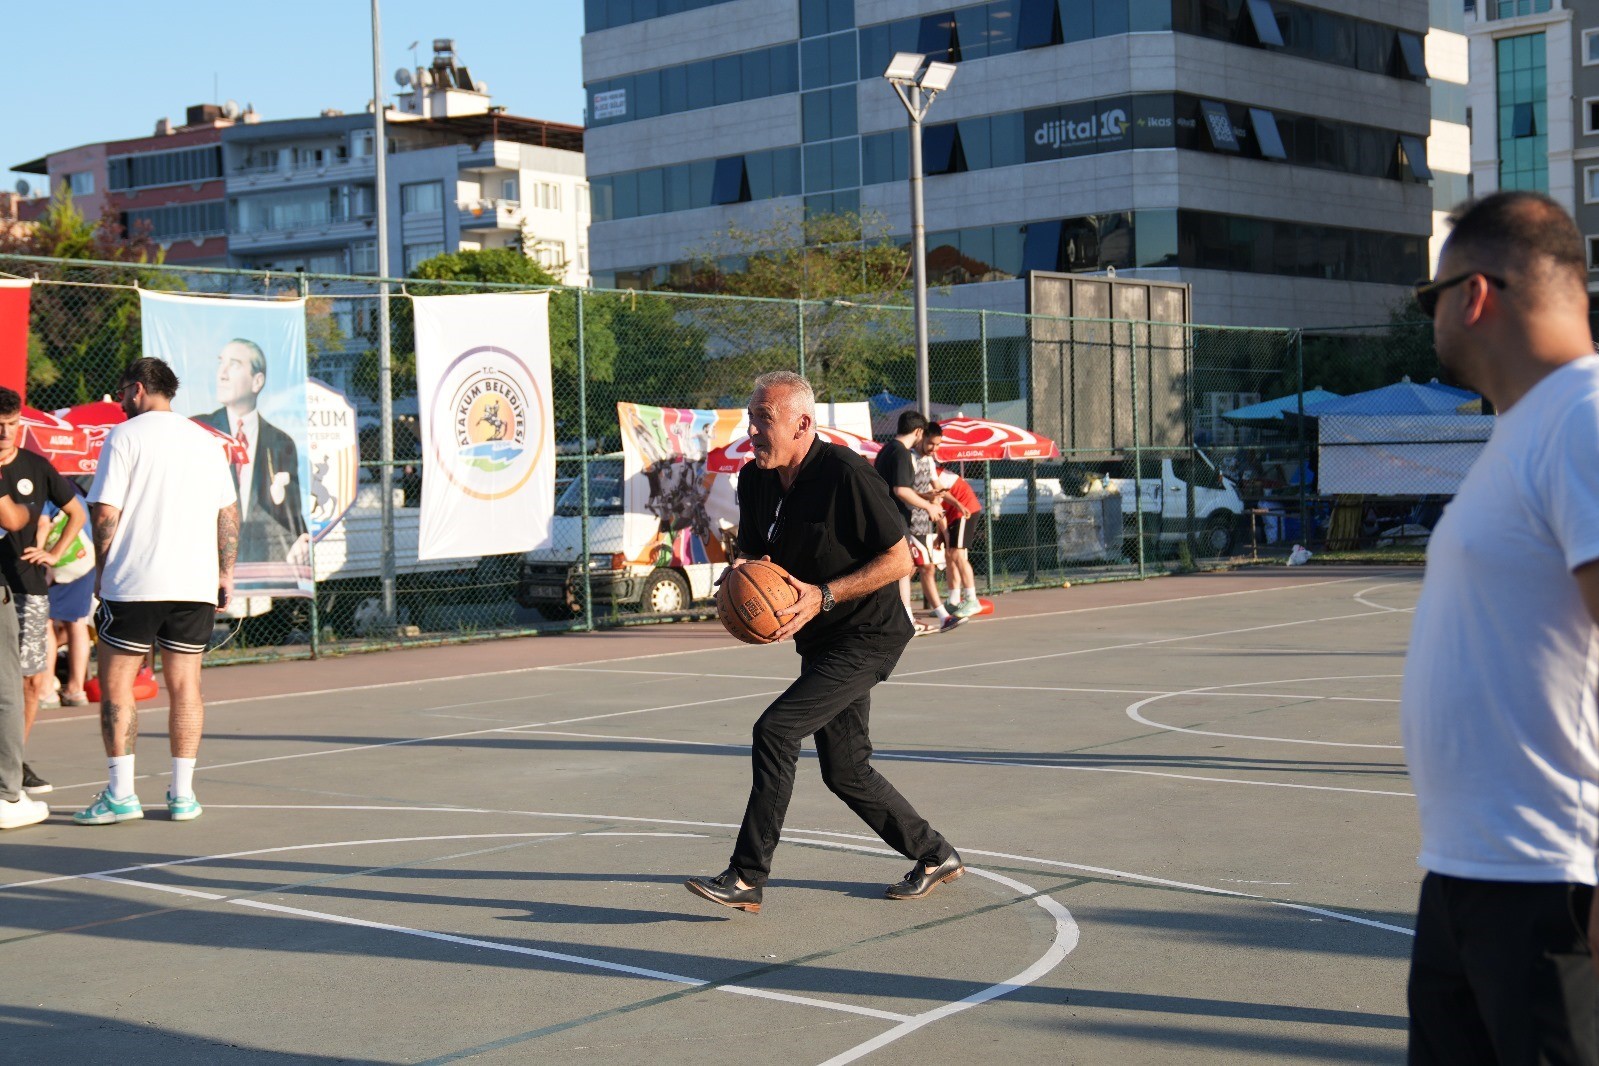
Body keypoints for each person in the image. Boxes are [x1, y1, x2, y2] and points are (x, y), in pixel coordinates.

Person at [1402, 190, 1599, 1063]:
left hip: (1553, 883)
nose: (1431, 317)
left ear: (1473, 295)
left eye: (1428, 297)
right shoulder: (1529, 430)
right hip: (1472, 875)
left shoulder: (1583, 419)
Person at [684, 371, 961, 913]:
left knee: (777, 730)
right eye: (751, 419)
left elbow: (902, 557)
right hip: (822, 638)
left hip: (869, 635)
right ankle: (935, 854)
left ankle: (746, 876)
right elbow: (757, 552)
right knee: (846, 768)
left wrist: (822, 596)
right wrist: (740, 576)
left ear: (802, 423)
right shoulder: (756, 479)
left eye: (764, 421)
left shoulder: (845, 474)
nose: (753, 431)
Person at [75, 357, 238, 826]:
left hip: (136, 580)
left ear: (140, 389)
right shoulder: (206, 440)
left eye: (124, 391)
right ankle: (183, 795)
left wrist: (103, 571)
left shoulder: (124, 436)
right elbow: (227, 514)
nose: (121, 400)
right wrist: (225, 573)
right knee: (187, 687)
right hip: (195, 582)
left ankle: (121, 794)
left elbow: (105, 514)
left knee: (117, 684)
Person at [0, 387, 86, 797]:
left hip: (26, 589)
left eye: (12, 425)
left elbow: (76, 512)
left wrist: (53, 552)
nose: (4, 433)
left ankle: (14, 761)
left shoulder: (37, 466)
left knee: (31, 682)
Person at [196, 338, 308, 568]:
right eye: (221, 363)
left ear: (257, 381)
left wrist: (302, 538)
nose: (222, 374)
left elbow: (291, 506)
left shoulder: (281, 442)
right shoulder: (199, 430)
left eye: (234, 364)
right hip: (209, 559)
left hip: (264, 562)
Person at [872, 410, 945, 636]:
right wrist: (930, 506)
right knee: (902, 568)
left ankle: (901, 620)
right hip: (895, 519)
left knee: (899, 570)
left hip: (885, 518)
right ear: (918, 431)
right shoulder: (902, 453)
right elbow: (901, 490)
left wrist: (924, 497)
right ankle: (907, 622)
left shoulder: (886, 450)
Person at [911, 422, 961, 631]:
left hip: (923, 523)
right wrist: (928, 498)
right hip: (909, 521)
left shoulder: (929, 460)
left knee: (912, 569)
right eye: (931, 444)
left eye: (938, 445)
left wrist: (957, 504)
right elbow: (904, 490)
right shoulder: (908, 458)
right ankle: (943, 616)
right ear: (921, 437)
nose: (934, 449)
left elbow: (938, 488)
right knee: (926, 568)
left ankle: (906, 616)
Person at [936, 466, 983, 618]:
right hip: (952, 513)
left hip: (965, 509)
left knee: (957, 554)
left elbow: (937, 507)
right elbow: (939, 509)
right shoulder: (921, 472)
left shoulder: (929, 473)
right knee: (949, 555)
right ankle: (953, 601)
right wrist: (941, 535)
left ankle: (972, 599)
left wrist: (944, 534)